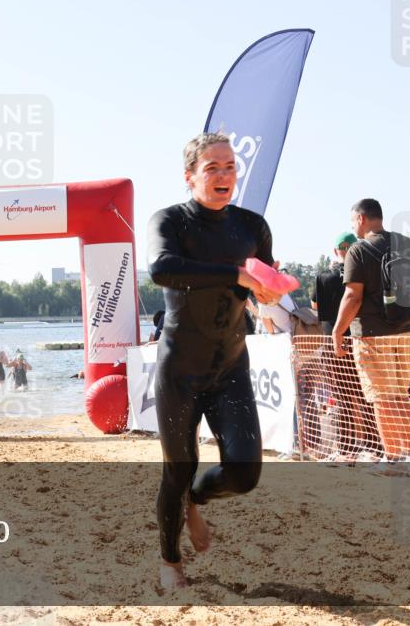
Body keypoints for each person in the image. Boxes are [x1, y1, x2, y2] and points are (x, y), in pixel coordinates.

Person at [147, 132, 285, 590]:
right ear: (190, 177)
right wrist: (236, 273)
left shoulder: (251, 226)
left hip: (230, 368)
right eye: (212, 168)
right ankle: (170, 563)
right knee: (177, 469)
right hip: (179, 370)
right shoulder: (170, 220)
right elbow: (162, 268)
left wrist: (270, 287)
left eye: (229, 167)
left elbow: (260, 280)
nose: (224, 175)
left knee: (245, 474)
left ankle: (195, 502)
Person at [331, 199, 410, 469]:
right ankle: (409, 455)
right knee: (399, 395)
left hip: (373, 333)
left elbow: (352, 296)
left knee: (382, 400)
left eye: (352, 221)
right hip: (406, 329)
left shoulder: (358, 251)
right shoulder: (404, 243)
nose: (353, 226)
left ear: (360, 219)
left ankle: (393, 459)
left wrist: (338, 331)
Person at [311, 231, 382, 460]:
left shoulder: (324, 277)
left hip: (334, 345)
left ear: (335, 252)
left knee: (343, 399)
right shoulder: (367, 275)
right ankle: (374, 447)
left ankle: (347, 449)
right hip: (362, 342)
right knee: (368, 397)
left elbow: (315, 305)